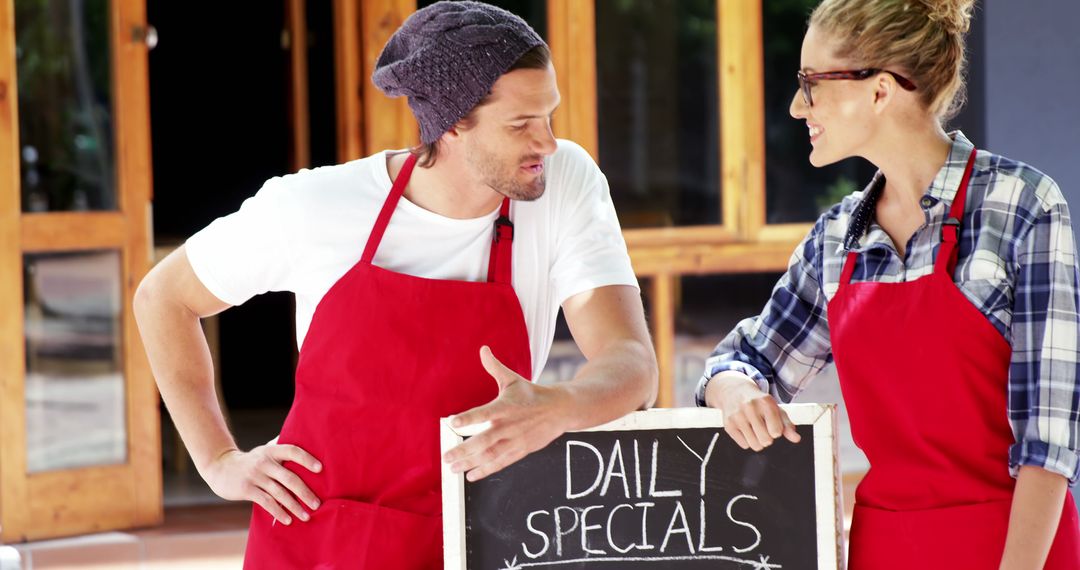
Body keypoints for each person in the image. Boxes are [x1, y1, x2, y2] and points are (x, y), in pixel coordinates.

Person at [133, 2, 657, 567]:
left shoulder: (564, 184)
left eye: (549, 116)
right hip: (325, 540)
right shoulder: (317, 207)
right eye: (521, 125)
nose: (548, 143)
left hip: (478, 536)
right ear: (452, 123)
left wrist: (560, 406)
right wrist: (218, 461)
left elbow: (631, 363)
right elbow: (164, 297)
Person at [696, 0, 1080, 567]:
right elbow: (742, 361)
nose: (797, 106)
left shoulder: (1022, 207)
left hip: (1018, 549)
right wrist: (736, 391)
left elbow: (1047, 446)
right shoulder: (836, 240)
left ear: (879, 91)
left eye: (811, 83)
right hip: (886, 551)